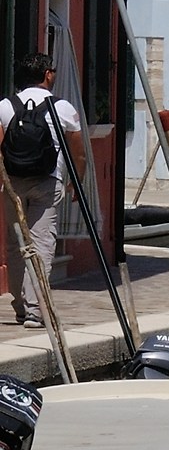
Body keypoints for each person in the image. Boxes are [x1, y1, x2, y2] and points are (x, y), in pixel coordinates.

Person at [0, 53, 83, 329]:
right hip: (48, 181)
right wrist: (75, 182)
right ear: (47, 74)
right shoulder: (63, 108)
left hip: (12, 184)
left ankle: (20, 306)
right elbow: (78, 153)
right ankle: (36, 311)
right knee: (41, 244)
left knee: (16, 245)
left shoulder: (5, 106)